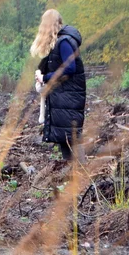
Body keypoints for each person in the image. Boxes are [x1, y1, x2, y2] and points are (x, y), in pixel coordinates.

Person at [32, 9, 85, 162]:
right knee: (65, 137)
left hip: (68, 97)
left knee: (71, 137)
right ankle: (72, 176)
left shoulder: (65, 42)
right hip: (62, 98)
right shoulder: (58, 42)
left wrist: (46, 77)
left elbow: (70, 68)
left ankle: (82, 175)